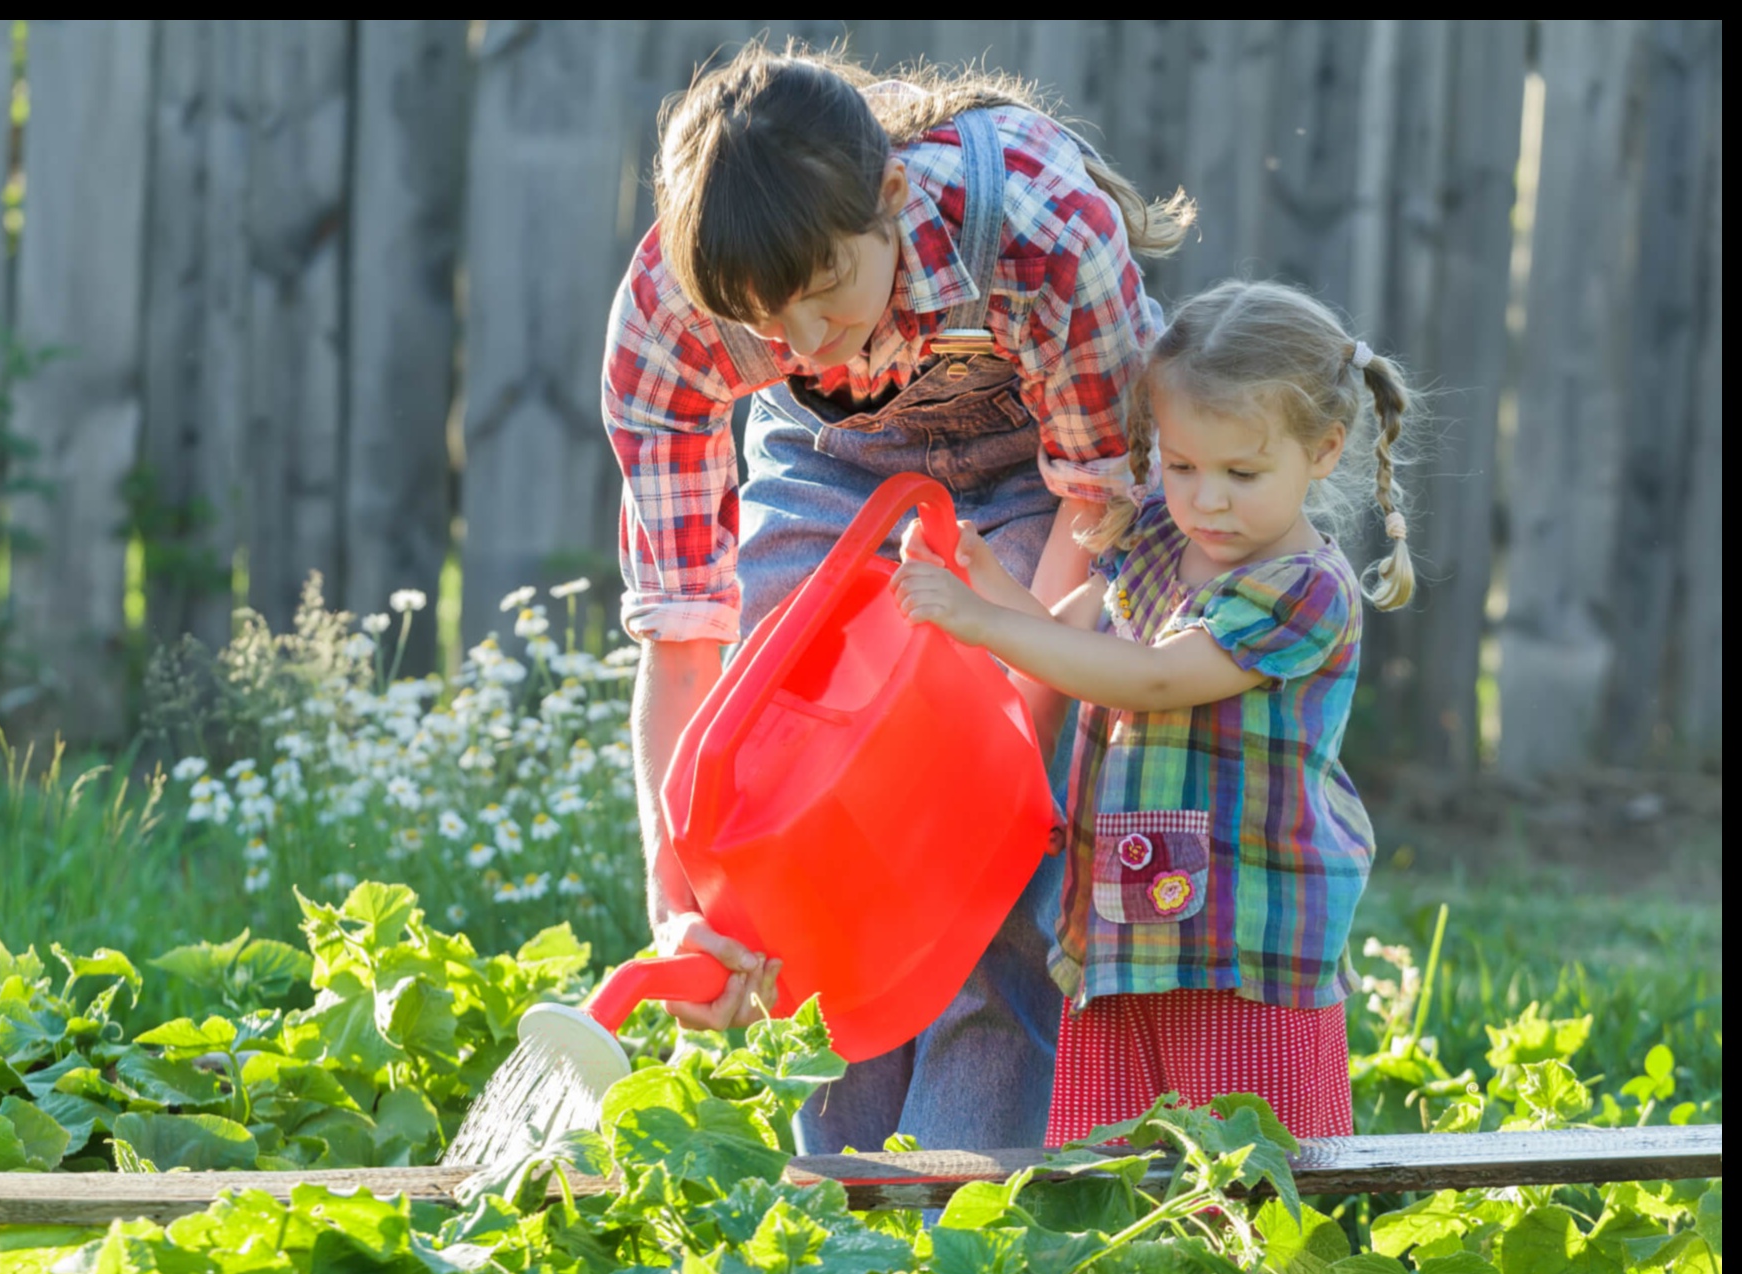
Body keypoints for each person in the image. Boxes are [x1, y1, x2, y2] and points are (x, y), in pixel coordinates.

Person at [602, 40, 1191, 1152]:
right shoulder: (670, 322)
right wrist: (681, 901)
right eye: (765, 322)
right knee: (788, 816)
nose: (803, 341)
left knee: (997, 872)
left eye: (824, 292)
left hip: (1043, 476)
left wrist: (992, 769)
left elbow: (1096, 505)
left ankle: (958, 1203)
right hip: (827, 461)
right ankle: (838, 1201)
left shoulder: (1040, 228)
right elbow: (684, 642)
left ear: (888, 196)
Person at [892, 279, 1417, 1143]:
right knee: (1114, 1175)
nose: (1207, 499)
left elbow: (1154, 679)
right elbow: (1066, 636)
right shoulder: (1161, 543)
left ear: (1324, 450)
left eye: (1242, 473)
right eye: (1180, 466)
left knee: (1244, 1179)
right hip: (1123, 937)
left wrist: (982, 622)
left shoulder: (1304, 590)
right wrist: (981, 583)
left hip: (1243, 955)